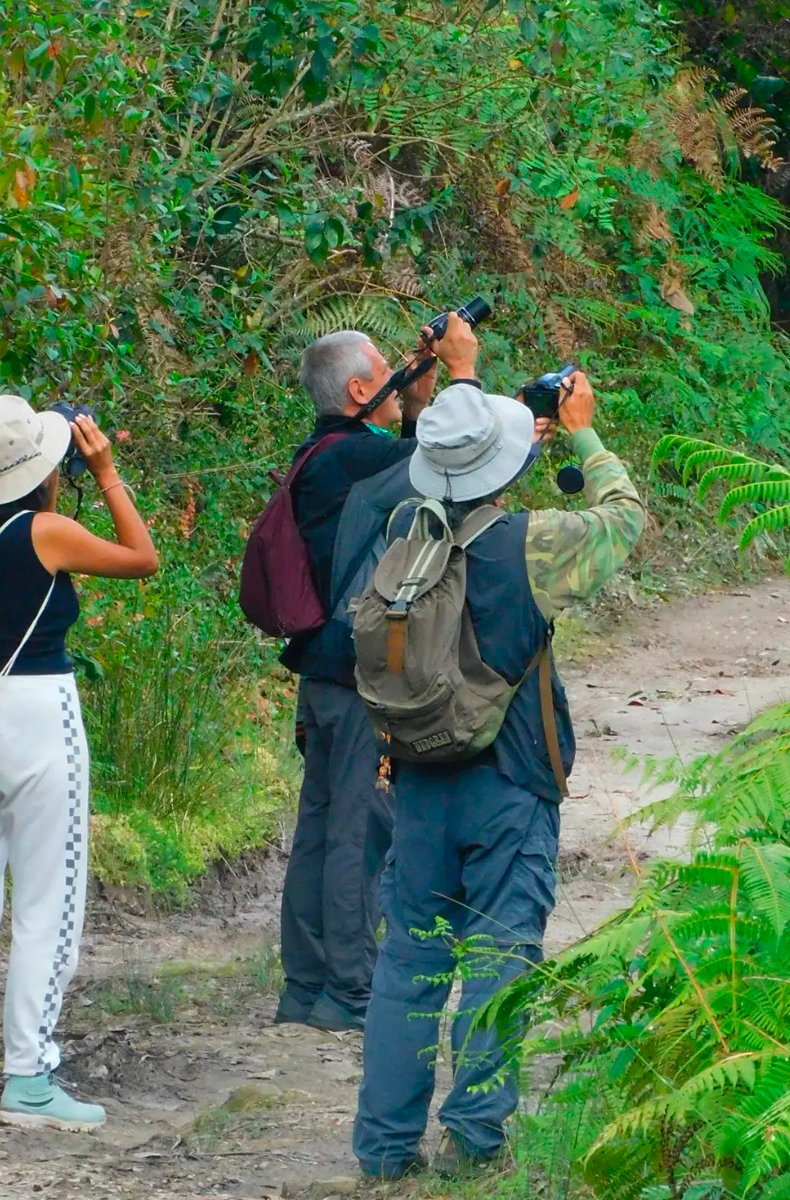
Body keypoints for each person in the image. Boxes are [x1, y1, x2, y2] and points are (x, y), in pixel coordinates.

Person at [352, 317, 647, 1177]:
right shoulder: (535, 544)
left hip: (416, 779)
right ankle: (475, 1143)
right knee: (498, 958)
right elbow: (623, 519)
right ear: (509, 465)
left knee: (409, 960)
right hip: (510, 782)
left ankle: (382, 1149)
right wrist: (583, 428)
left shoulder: (399, 537)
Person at [0, 394, 158, 1131]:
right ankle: (28, 1076)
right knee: (47, 899)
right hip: (35, 712)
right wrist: (107, 472)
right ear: (38, 467)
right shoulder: (47, 530)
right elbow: (143, 557)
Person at [276, 324, 480, 1033]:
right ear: (362, 390)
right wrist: (463, 374)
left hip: (321, 667)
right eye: (388, 373)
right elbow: (451, 468)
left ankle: (304, 987)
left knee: (321, 824)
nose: (398, 378)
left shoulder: (324, 455)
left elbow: (411, 470)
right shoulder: (356, 458)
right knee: (359, 831)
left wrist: (419, 400)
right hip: (358, 672)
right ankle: (349, 991)